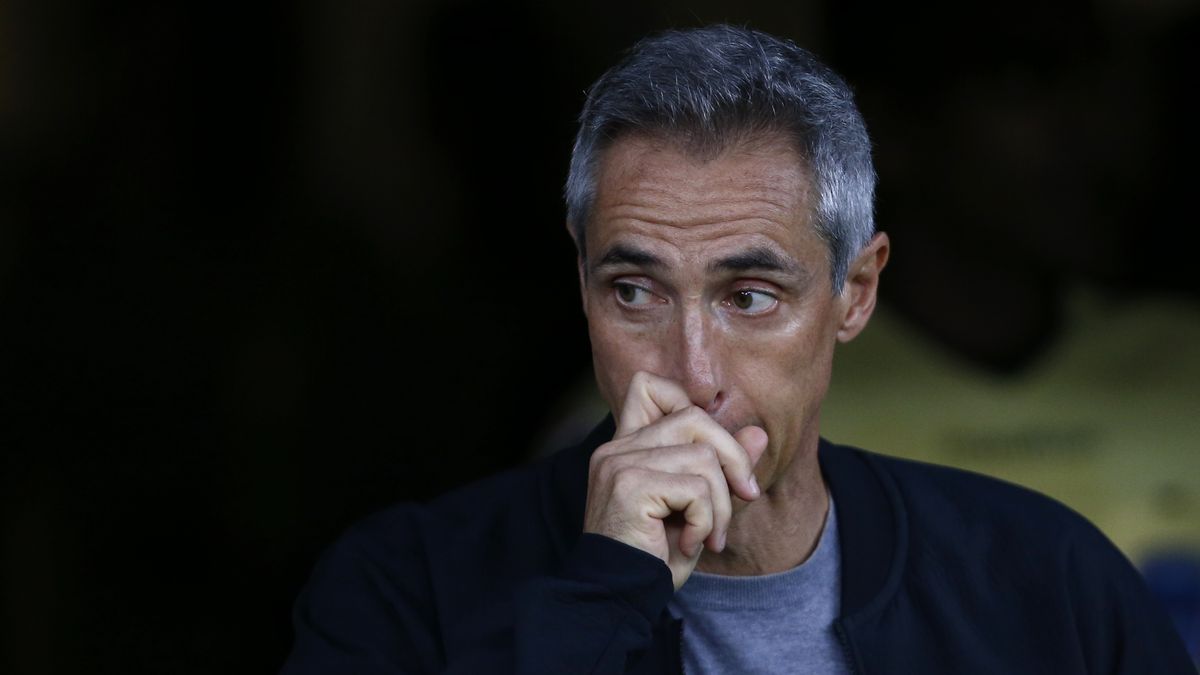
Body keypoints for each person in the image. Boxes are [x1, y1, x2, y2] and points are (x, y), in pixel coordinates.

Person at [281, 24, 1195, 674]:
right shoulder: (406, 587)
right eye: (633, 291)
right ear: (582, 278)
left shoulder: (1043, 576)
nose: (695, 371)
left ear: (856, 292)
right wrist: (601, 597)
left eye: (750, 297)